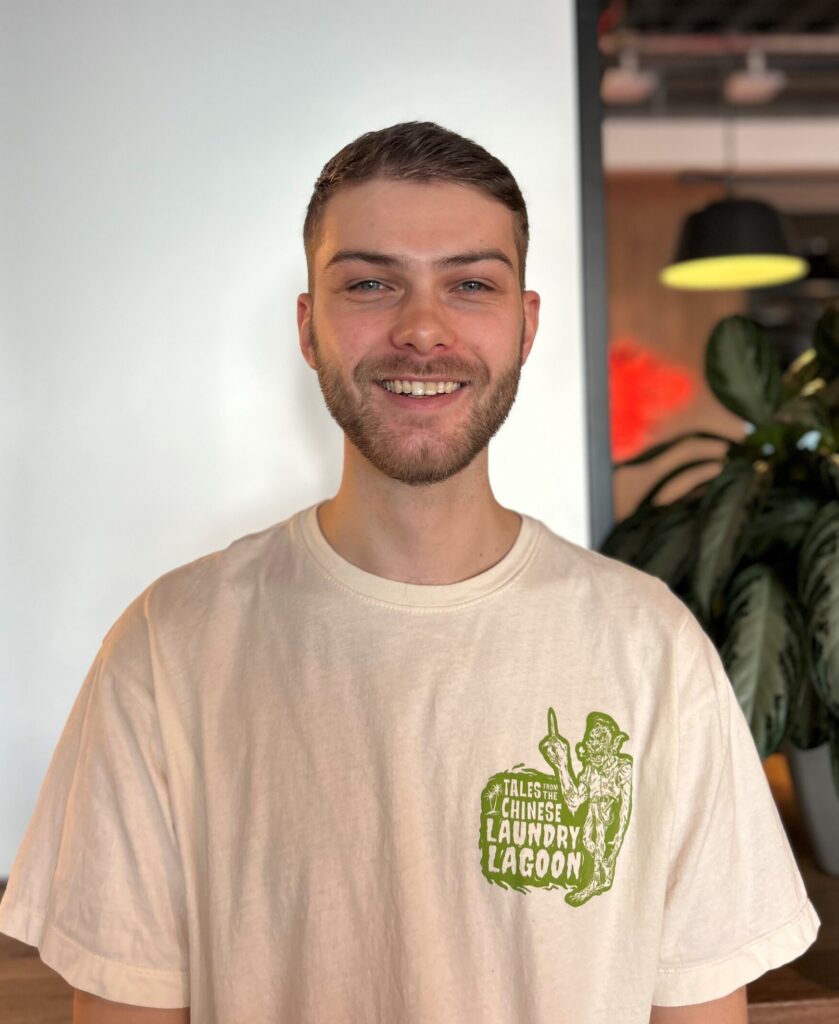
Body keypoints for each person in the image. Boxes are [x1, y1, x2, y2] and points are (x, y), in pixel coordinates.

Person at [0, 122, 819, 1024]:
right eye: (369, 283)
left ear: (524, 325)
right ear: (309, 328)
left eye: (469, 284)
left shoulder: (651, 646)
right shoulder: (168, 647)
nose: (421, 329)